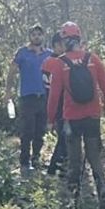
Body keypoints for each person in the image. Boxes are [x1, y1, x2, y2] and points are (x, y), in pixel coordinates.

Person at [45, 22, 105, 209]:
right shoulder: (93, 59)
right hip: (92, 115)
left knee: (74, 160)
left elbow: (54, 96)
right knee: (94, 156)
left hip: (71, 118)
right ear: (78, 38)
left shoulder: (60, 64)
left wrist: (51, 119)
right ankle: (103, 189)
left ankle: (73, 201)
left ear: (65, 40)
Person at [5, 24, 52, 175]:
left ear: (43, 36)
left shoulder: (49, 54)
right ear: (30, 37)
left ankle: (36, 159)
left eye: (39, 34)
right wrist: (8, 92)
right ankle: (24, 163)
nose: (36, 37)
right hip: (27, 97)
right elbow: (12, 72)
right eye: (34, 34)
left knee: (40, 131)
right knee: (27, 131)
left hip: (44, 96)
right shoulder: (22, 53)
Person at [41, 31, 69, 177]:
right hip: (59, 104)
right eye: (64, 44)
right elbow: (51, 88)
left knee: (65, 136)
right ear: (57, 45)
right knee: (64, 136)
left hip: (60, 103)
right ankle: (55, 167)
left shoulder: (50, 61)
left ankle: (61, 165)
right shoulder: (53, 62)